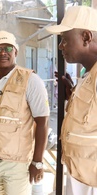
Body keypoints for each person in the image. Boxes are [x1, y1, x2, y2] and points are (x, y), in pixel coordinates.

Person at [0, 30, 50, 194]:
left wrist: (38, 162)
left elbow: (43, 122)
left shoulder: (31, 80)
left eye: (8, 48)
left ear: (16, 52)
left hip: (17, 164)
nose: (3, 53)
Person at [46, 5, 97, 195]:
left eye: (65, 40)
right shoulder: (87, 76)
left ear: (86, 37)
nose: (60, 46)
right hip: (80, 174)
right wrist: (72, 95)